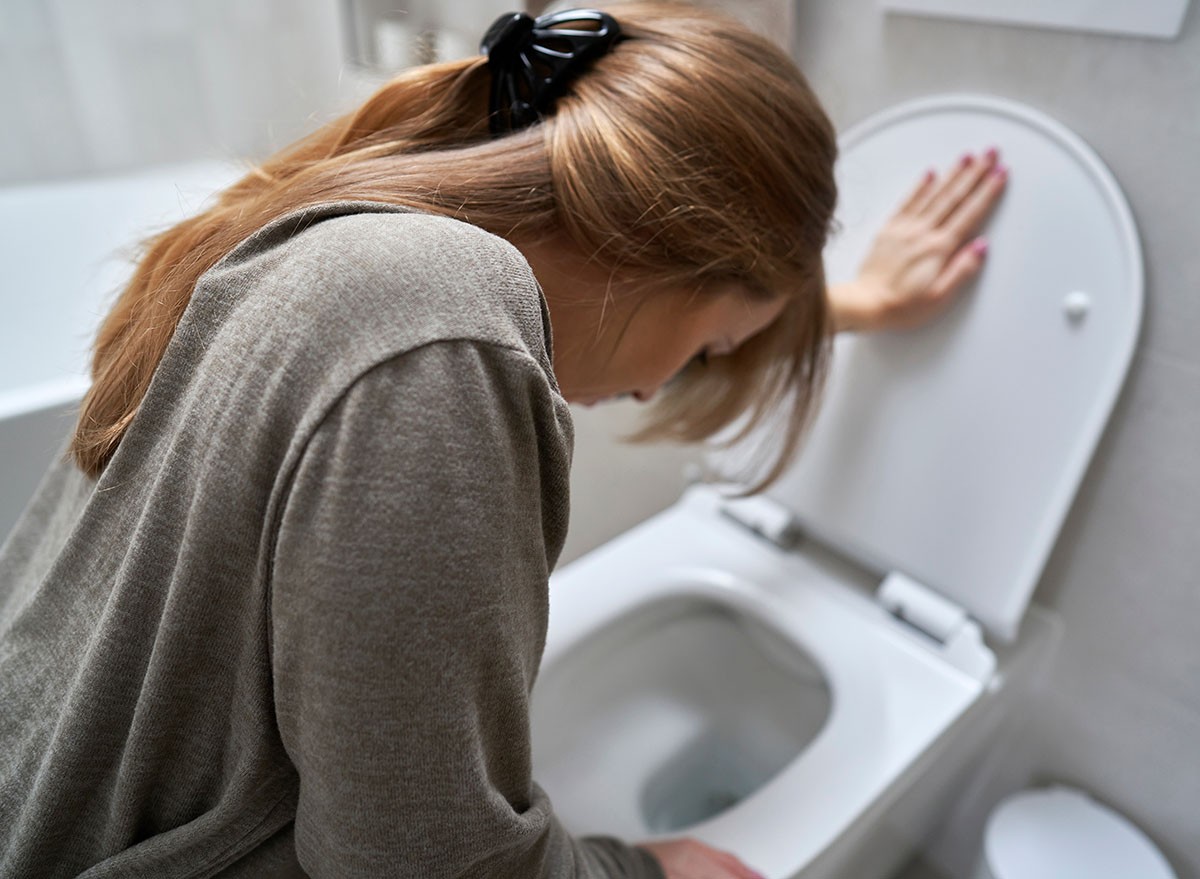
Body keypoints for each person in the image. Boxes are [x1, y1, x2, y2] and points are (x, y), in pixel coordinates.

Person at [0, 3, 1005, 878]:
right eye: (711, 349)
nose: (660, 382)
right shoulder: (443, 337)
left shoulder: (352, 234)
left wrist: (853, 304)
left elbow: (666, 297)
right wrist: (642, 869)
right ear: (669, 250)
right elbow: (424, 864)